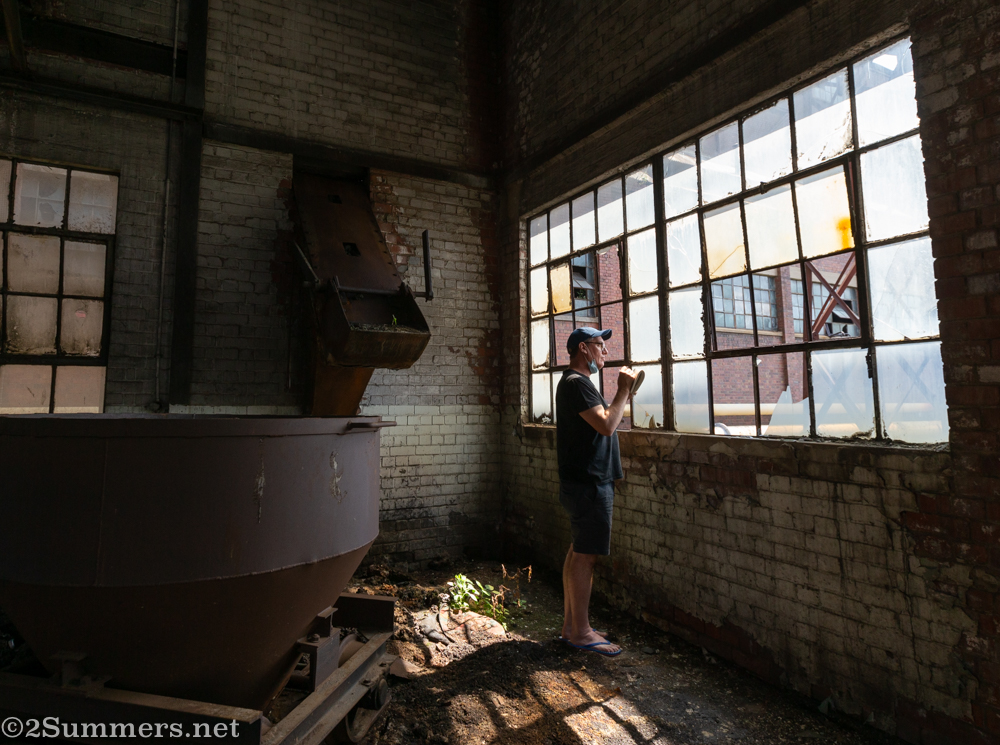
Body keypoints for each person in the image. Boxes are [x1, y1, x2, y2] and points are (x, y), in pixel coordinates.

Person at [556, 326, 636, 657]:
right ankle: (581, 632)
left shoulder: (577, 384)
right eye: (599, 346)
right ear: (583, 349)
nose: (604, 352)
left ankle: (572, 626)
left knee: (578, 551)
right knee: (585, 557)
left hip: (584, 483)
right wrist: (623, 391)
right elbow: (606, 424)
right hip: (589, 484)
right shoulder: (577, 384)